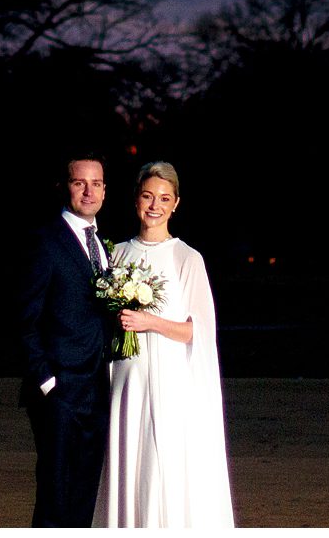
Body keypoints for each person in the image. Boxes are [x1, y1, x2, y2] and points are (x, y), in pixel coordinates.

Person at [92, 161, 234, 528]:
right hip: (127, 376)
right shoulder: (117, 253)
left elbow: (197, 331)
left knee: (159, 462)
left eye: (164, 198)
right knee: (127, 456)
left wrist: (149, 322)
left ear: (176, 204)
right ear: (136, 199)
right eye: (148, 196)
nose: (155, 205)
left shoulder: (187, 258)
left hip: (169, 379)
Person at [17, 154, 115, 527]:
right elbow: (24, 319)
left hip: (97, 389)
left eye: (96, 183)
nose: (88, 191)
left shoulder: (104, 246)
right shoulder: (45, 242)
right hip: (59, 393)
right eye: (79, 183)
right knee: (55, 493)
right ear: (65, 187)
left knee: (84, 493)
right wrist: (46, 381)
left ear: (105, 190)